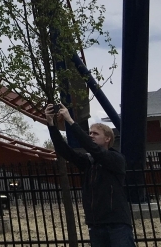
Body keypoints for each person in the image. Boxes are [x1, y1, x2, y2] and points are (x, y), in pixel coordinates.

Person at [45, 104, 135, 247]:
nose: (91, 135)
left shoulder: (116, 159)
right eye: (90, 133)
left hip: (116, 224)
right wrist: (50, 124)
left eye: (95, 134)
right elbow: (64, 150)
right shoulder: (89, 162)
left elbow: (92, 148)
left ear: (107, 139)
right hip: (96, 224)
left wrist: (70, 121)